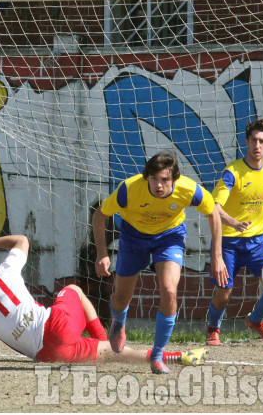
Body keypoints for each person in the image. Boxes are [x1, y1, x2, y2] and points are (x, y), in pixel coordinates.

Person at [0, 234, 207, 368]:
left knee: (120, 357)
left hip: (48, 354)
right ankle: (105, 337)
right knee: (73, 290)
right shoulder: (6, 269)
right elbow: (21, 240)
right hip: (56, 324)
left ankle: (171, 357)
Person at [92, 152, 227, 374]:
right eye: (154, 179)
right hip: (134, 238)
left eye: (165, 180)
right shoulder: (129, 189)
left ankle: (157, 354)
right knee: (121, 297)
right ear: (147, 177)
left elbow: (213, 212)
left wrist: (217, 256)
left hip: (169, 238)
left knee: (169, 290)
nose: (159, 185)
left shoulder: (190, 190)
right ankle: (118, 320)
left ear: (175, 180)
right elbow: (100, 215)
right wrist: (101, 253)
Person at [205, 119, 263, 346]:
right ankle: (213, 328)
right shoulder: (232, 172)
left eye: (262, 141)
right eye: (253, 140)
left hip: (257, 242)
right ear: (246, 142)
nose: (257, 145)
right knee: (224, 293)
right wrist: (234, 222)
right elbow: (214, 207)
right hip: (229, 242)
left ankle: (256, 320)